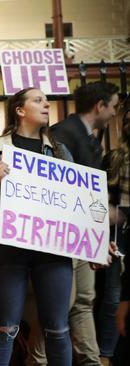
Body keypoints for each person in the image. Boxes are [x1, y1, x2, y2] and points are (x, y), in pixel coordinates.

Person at [0, 88, 74, 366]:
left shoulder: (60, 152)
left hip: (53, 248)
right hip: (9, 248)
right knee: (4, 328)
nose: (47, 104)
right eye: (38, 100)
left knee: (58, 329)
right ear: (19, 110)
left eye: (46, 100)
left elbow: (79, 202)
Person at [31, 81, 119, 366]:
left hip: (83, 235)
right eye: (114, 107)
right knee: (61, 305)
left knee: (83, 300)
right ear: (100, 106)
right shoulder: (62, 135)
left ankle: (90, 361)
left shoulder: (86, 137)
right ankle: (38, 361)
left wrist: (100, 231)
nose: (115, 114)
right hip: (63, 237)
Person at [96, 103, 129, 365]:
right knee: (113, 296)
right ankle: (106, 355)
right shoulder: (114, 157)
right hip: (121, 232)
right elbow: (102, 199)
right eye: (126, 119)